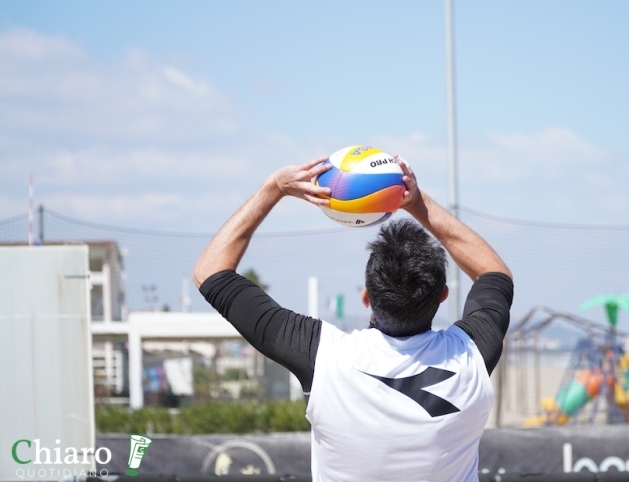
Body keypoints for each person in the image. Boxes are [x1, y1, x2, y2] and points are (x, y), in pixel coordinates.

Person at [193, 155, 513, 482]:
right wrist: (418, 204)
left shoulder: (323, 357)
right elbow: (493, 273)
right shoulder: (471, 355)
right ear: (442, 296)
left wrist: (274, 188)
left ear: (366, 298)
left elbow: (211, 272)